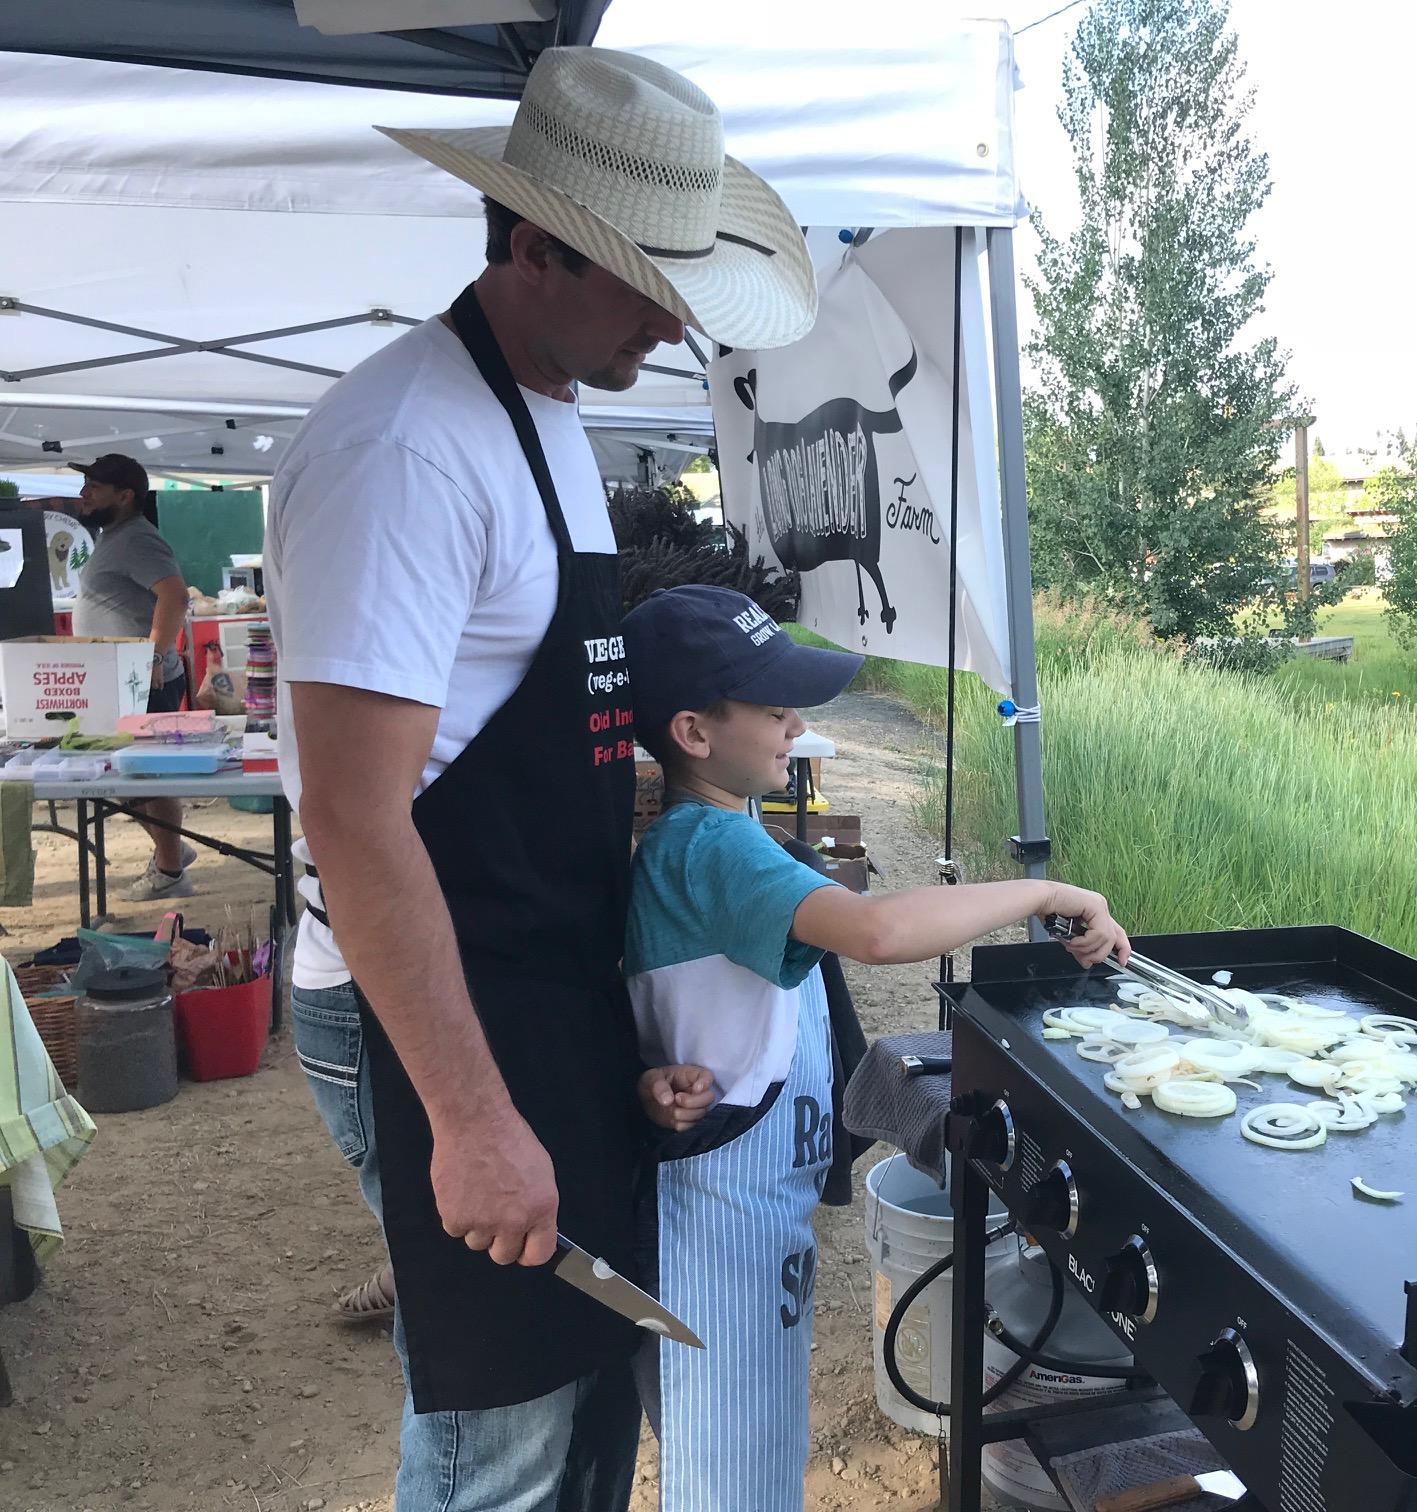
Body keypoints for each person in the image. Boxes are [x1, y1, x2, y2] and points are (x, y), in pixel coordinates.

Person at [267, 48, 816, 1512]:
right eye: (645, 279)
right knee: (498, 1422)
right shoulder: (401, 449)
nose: (669, 317)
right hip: (424, 1004)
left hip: (535, 973)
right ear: (533, 243)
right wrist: (471, 1119)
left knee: (585, 1383)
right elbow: (350, 816)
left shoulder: (549, 413)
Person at [619, 585, 1131, 1512]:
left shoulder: (727, 830)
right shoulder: (709, 844)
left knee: (746, 1459)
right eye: (772, 709)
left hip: (747, 1205)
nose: (794, 724)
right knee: (731, 1479)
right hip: (711, 1225)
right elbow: (879, 931)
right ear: (693, 732)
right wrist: (1044, 891)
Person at [67, 453, 193, 901]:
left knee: (143, 779)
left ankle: (171, 867)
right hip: (123, 681)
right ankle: (171, 853)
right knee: (135, 779)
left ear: (125, 496)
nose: (84, 493)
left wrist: (152, 656)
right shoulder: (115, 535)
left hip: (142, 682)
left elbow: (175, 597)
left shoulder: (137, 538)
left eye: (94, 487)